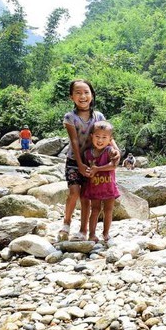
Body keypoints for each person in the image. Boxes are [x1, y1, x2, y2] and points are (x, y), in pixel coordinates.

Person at [58, 79, 119, 241]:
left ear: (92, 95)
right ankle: (66, 223)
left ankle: (84, 231)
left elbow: (106, 134)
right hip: (74, 160)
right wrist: (79, 163)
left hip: (94, 161)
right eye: (78, 93)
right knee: (74, 192)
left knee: (86, 198)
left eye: (86, 92)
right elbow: (75, 141)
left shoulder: (98, 116)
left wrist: (116, 150)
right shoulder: (70, 117)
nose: (82, 96)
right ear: (71, 97)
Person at [82, 121, 121, 243]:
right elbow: (85, 168)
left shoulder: (110, 151)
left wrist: (98, 169)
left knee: (108, 210)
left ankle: (106, 233)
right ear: (91, 136)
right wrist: (88, 172)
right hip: (94, 186)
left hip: (109, 186)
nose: (100, 140)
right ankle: (92, 234)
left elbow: (113, 166)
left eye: (104, 137)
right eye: (97, 136)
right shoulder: (87, 153)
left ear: (110, 139)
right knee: (95, 210)